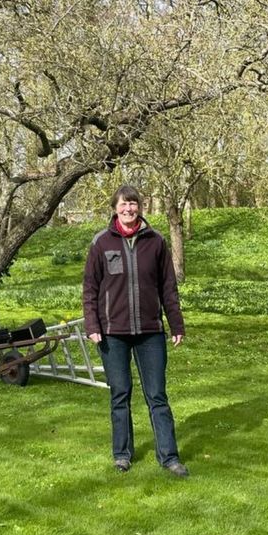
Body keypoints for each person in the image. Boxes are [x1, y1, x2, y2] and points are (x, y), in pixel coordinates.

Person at [82, 184, 189, 477]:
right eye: (123, 204)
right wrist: (92, 325)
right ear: (115, 208)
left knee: (157, 395)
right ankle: (122, 454)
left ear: (140, 207)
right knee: (120, 394)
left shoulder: (156, 241)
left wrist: (176, 323)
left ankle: (169, 457)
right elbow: (90, 289)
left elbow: (168, 287)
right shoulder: (101, 243)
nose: (129, 209)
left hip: (150, 332)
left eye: (133, 204)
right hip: (112, 333)